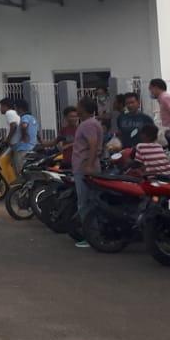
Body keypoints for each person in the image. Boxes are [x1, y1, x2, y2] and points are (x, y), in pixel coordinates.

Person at [70, 98, 104, 248]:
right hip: (84, 167)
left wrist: (89, 165)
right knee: (88, 202)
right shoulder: (89, 123)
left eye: (78, 105)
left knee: (85, 203)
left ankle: (91, 236)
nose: (76, 107)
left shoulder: (88, 124)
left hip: (85, 168)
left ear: (83, 108)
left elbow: (93, 144)